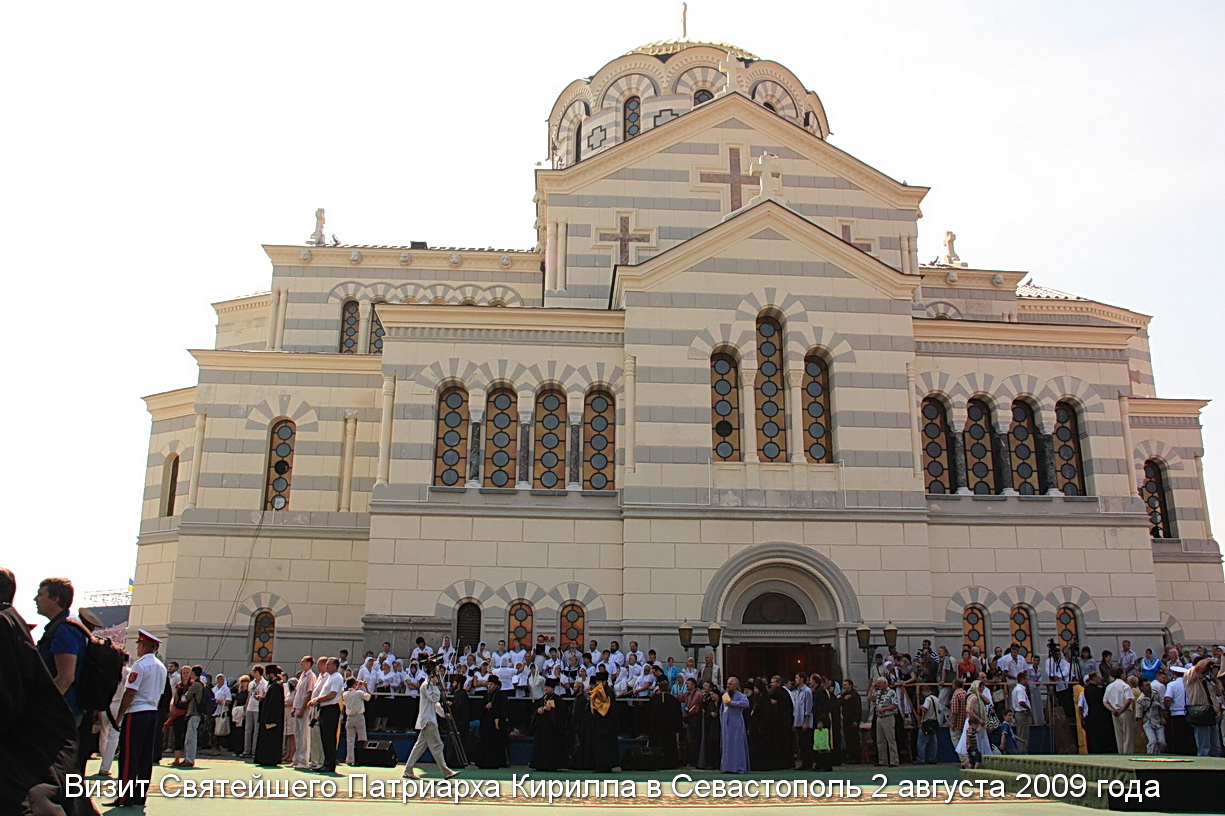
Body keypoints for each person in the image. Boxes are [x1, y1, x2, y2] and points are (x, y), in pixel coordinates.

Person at [0, 568, 89, 815]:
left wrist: (40, 710)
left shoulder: (63, 631)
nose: (35, 599)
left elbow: (65, 676)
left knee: (45, 781)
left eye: (41, 594)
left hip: (57, 715)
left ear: (56, 599)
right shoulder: (59, 628)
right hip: (58, 714)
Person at [106, 629, 169, 809]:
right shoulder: (161, 667)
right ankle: (140, 795)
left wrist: (119, 716)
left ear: (144, 646)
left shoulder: (140, 666)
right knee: (144, 756)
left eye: (140, 644)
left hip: (137, 712)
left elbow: (131, 692)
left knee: (129, 755)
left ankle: (125, 797)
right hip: (152, 712)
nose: (138, 648)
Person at [96, 653, 132, 778]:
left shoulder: (109, 670)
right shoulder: (128, 671)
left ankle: (104, 759)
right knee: (113, 736)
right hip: (117, 704)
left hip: (105, 704)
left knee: (103, 733)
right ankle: (105, 767)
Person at [308, 657, 344, 773]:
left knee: (329, 737)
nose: (326, 666)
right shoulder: (330, 677)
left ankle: (330, 764)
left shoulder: (337, 677)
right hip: (325, 708)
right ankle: (326, 762)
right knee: (324, 737)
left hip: (331, 709)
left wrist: (318, 699)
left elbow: (332, 694)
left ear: (335, 666)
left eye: (329, 664)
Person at [1183, 655, 1220, 756]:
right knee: (1204, 744)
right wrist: (1209, 659)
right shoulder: (1190, 676)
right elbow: (1198, 667)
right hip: (1200, 712)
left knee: (1215, 745)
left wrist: (1216, 678)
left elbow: (1218, 693)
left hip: (1211, 712)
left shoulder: (1208, 681)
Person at [530, 679, 567, 771]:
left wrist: (552, 710)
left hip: (552, 729)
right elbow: (534, 711)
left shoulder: (558, 700)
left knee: (551, 746)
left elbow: (562, 714)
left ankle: (551, 765)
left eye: (548, 687)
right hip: (541, 728)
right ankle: (540, 764)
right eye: (545, 687)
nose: (546, 689)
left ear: (553, 689)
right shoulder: (542, 699)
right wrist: (537, 711)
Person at [254, 665, 285, 767]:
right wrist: (263, 700)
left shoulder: (276, 686)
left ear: (271, 674)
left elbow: (275, 705)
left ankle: (270, 759)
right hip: (269, 715)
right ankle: (265, 758)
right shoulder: (273, 685)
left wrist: (270, 719)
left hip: (272, 718)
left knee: (271, 739)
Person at [476, 675, 509, 769]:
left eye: (491, 684)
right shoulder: (486, 696)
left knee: (495, 743)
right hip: (486, 722)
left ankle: (494, 762)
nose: (489, 686)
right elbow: (480, 710)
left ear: (495, 685)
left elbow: (503, 710)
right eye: (488, 684)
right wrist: (486, 708)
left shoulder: (500, 696)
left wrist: (498, 719)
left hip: (495, 723)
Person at [719, 677, 750, 773]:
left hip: (736, 723)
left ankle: (738, 767)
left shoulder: (741, 695)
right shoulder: (726, 695)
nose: (728, 686)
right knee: (726, 744)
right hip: (726, 723)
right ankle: (727, 766)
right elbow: (723, 708)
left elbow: (746, 704)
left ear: (736, 685)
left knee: (737, 744)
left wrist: (732, 703)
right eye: (727, 684)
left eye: (730, 684)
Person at [1102, 667, 1135, 754]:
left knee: (1119, 735)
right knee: (1127, 735)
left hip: (1115, 712)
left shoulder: (1109, 686)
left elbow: (1105, 701)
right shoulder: (1125, 685)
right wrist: (1121, 710)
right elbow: (1128, 700)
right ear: (1122, 675)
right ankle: (1127, 753)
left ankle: (1121, 753)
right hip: (1124, 711)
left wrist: (1113, 710)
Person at [291, 656, 316, 769]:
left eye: (303, 661)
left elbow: (309, 693)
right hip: (297, 706)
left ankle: (304, 760)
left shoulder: (311, 676)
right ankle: (296, 759)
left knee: (304, 734)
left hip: (304, 708)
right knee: (297, 734)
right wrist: (294, 707)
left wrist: (302, 708)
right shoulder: (302, 675)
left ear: (309, 663)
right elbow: (298, 692)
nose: (301, 663)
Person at [869, 676, 899, 767]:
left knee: (890, 739)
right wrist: (872, 687)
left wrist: (884, 709)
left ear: (885, 683)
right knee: (880, 740)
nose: (878, 685)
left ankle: (894, 760)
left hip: (888, 717)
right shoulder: (878, 692)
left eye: (880, 683)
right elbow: (869, 698)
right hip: (879, 718)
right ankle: (882, 760)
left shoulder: (891, 692)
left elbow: (895, 705)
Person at [342, 677, 372, 765]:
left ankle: (350, 759)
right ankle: (362, 758)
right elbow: (369, 697)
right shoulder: (359, 693)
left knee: (350, 740)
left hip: (350, 718)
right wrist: (366, 687)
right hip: (359, 717)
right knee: (362, 738)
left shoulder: (345, 694)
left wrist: (357, 686)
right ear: (354, 684)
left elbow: (353, 693)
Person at [181, 665, 205, 767]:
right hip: (196, 714)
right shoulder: (201, 684)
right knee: (190, 737)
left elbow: (186, 697)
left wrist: (185, 693)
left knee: (191, 738)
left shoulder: (196, 685)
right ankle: (188, 758)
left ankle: (189, 759)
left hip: (194, 713)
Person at [1135, 678, 1165, 754]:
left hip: (1157, 721)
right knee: (1152, 741)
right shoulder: (1140, 700)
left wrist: (1162, 717)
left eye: (1149, 685)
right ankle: (1150, 755)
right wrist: (1141, 731)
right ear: (1142, 687)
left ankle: (1158, 754)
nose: (1149, 687)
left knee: (1162, 742)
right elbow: (1139, 716)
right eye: (1147, 685)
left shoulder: (1155, 694)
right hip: (1147, 722)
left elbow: (1160, 706)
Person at [838, 680, 862, 764]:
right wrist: (844, 699)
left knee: (854, 739)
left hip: (853, 719)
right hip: (846, 719)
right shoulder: (844, 695)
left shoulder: (855, 695)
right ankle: (850, 756)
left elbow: (858, 709)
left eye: (845, 685)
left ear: (850, 685)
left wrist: (857, 720)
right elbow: (838, 703)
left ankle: (857, 757)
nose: (844, 686)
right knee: (847, 738)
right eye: (843, 685)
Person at [1009, 673, 1032, 755]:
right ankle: (1022, 752)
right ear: (1022, 679)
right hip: (1022, 713)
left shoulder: (1016, 689)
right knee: (1023, 735)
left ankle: (1021, 750)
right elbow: (1021, 701)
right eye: (1026, 679)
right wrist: (1028, 709)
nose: (1027, 681)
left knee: (1020, 733)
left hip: (1017, 713)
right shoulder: (1020, 689)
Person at [917, 684, 939, 764]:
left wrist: (920, 707)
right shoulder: (936, 699)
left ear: (926, 691)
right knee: (933, 742)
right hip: (934, 722)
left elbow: (925, 709)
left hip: (927, 722)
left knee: (921, 742)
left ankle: (921, 759)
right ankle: (932, 758)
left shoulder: (927, 699)